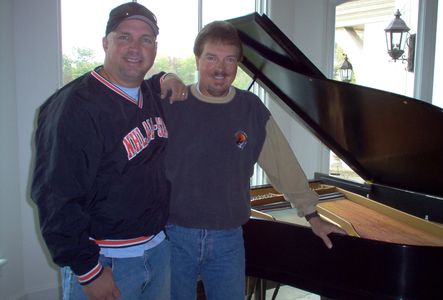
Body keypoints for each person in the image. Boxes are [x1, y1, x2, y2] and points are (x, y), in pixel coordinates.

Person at [162, 20, 347, 300]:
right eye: (211, 57)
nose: (220, 69)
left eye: (230, 60)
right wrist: (163, 76)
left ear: (238, 64)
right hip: (174, 236)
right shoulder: (173, 104)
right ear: (197, 59)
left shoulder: (251, 110)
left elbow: (283, 165)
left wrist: (312, 215)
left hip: (228, 239)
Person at [30, 2, 187, 300]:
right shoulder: (72, 107)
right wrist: (88, 270)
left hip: (157, 251)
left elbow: (153, 81)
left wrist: (167, 76)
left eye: (146, 40)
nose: (135, 48)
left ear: (155, 47)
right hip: (106, 262)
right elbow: (54, 197)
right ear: (106, 42)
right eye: (124, 37)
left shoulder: (150, 92)